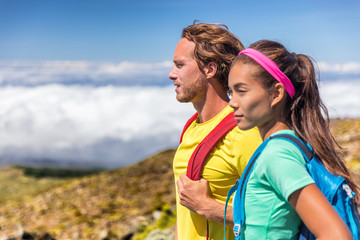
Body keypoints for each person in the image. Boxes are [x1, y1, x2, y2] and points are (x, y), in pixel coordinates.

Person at [227, 39, 359, 239]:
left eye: (241, 91)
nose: (232, 102)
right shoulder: (289, 145)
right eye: (230, 91)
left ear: (276, 94)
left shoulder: (277, 155)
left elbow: (337, 235)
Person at [169, 22, 262, 240]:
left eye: (180, 65)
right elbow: (185, 213)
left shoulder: (243, 132)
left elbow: (279, 215)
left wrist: (209, 207)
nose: (171, 74)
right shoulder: (192, 127)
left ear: (209, 69)